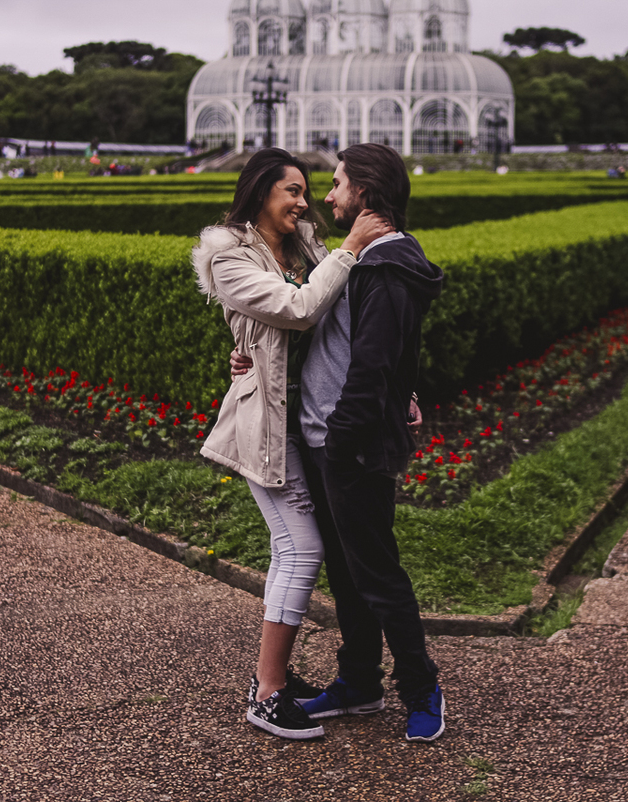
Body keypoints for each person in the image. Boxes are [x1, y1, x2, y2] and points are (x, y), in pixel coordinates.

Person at [232, 144, 447, 742]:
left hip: (346, 442)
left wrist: (351, 437)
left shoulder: (385, 262)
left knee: (377, 572)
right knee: (351, 573)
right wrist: (252, 358)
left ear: (365, 192)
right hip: (326, 437)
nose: (326, 197)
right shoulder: (362, 258)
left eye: (335, 184)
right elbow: (326, 327)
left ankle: (421, 687)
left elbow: (377, 363)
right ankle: (359, 682)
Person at [192, 148, 393, 740]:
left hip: (307, 422)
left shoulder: (302, 244)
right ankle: (267, 691)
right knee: (300, 548)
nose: (306, 203)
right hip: (266, 428)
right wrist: (353, 247)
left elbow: (341, 309)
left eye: (309, 191)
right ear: (260, 192)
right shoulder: (227, 257)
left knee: (303, 549)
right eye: (293, 191)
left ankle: (275, 680)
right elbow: (302, 308)